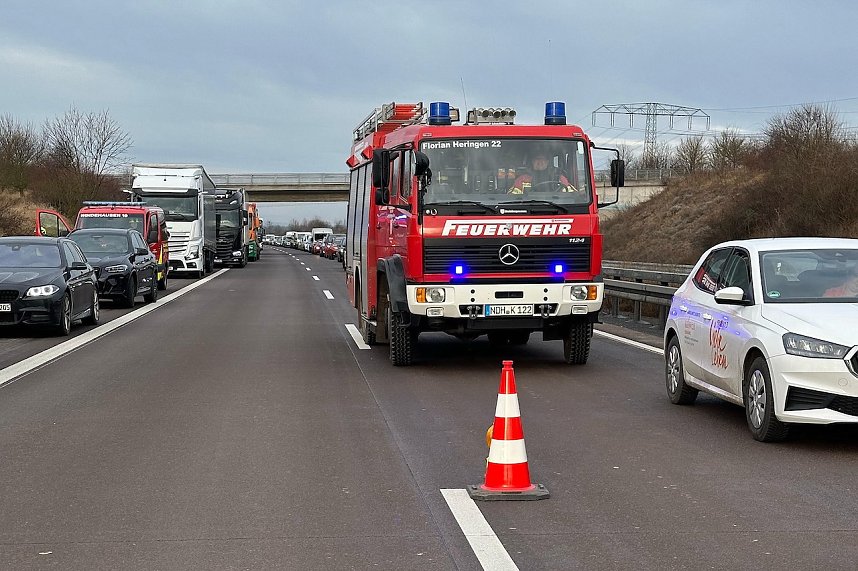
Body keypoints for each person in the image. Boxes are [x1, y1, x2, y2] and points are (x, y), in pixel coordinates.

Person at [508, 153, 579, 194]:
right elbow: (512, 196)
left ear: (547, 162)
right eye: (537, 159)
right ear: (532, 161)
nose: (540, 161)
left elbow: (572, 194)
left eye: (543, 159)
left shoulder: (558, 178)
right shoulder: (522, 179)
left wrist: (581, 194)